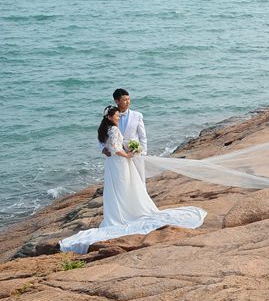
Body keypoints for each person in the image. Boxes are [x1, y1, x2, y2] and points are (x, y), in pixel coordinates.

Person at [59, 106, 207, 254]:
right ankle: (129, 212)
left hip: (111, 164)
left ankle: (121, 212)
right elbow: (116, 149)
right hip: (119, 162)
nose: (118, 117)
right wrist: (128, 155)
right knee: (126, 186)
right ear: (110, 117)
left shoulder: (103, 129)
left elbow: (106, 146)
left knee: (117, 188)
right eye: (116, 116)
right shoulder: (114, 129)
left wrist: (117, 150)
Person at [99, 88, 148, 182]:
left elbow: (143, 136)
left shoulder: (137, 116)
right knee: (122, 181)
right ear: (117, 101)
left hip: (134, 153)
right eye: (124, 100)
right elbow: (102, 134)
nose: (128, 102)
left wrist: (143, 153)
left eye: (128, 99)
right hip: (118, 157)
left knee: (138, 180)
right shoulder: (111, 115)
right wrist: (102, 148)